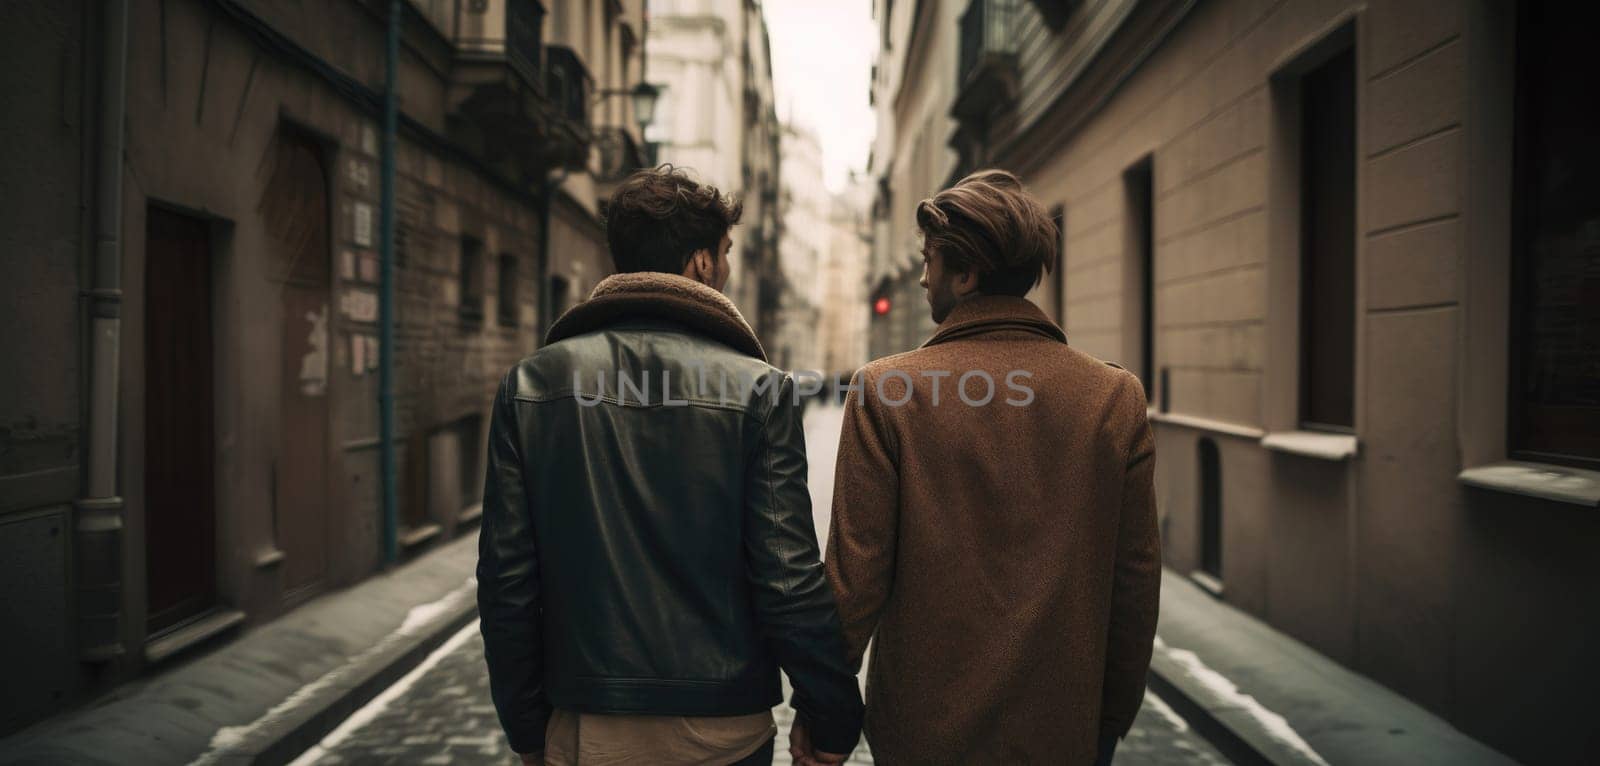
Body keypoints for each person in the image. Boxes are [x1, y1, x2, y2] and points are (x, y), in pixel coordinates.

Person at [478, 166, 863, 766]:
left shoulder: (531, 384)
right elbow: (786, 577)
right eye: (726, 253)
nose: (729, 269)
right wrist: (833, 716)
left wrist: (530, 728)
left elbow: (506, 582)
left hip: (585, 724)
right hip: (719, 732)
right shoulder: (759, 390)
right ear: (702, 264)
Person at [824, 169, 1160, 765]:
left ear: (966, 273)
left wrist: (823, 716)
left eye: (930, 260)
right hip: (1062, 736)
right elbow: (1133, 584)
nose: (924, 276)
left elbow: (854, 581)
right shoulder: (1114, 397)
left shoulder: (888, 390)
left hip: (921, 737)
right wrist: (1105, 723)